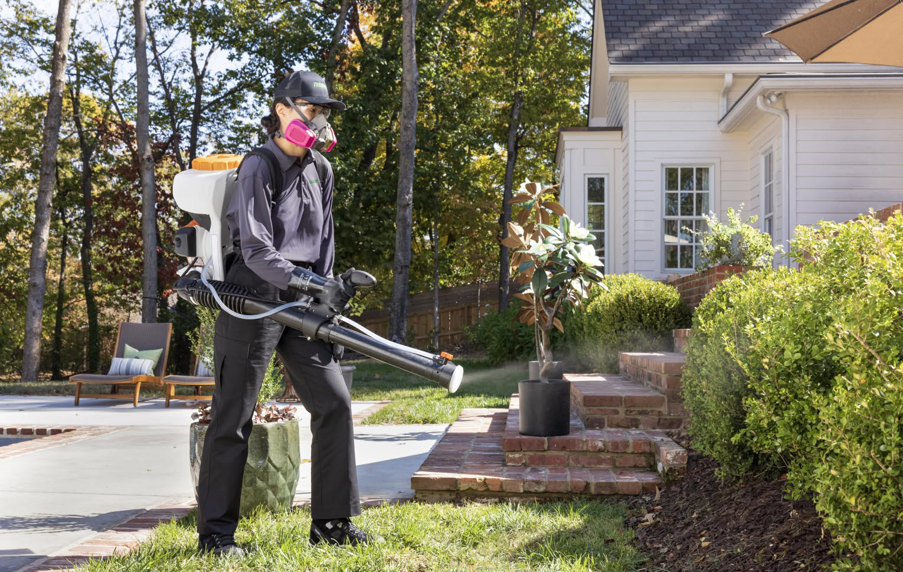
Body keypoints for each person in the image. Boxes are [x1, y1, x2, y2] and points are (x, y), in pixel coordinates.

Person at [195, 70, 377, 556]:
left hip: (303, 300)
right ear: (282, 111)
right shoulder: (259, 165)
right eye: (310, 110)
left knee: (334, 404)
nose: (317, 122)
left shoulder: (321, 169)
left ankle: (333, 524)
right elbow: (255, 249)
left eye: (323, 114)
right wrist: (308, 284)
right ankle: (216, 536)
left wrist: (327, 293)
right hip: (252, 297)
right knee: (234, 416)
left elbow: (324, 243)